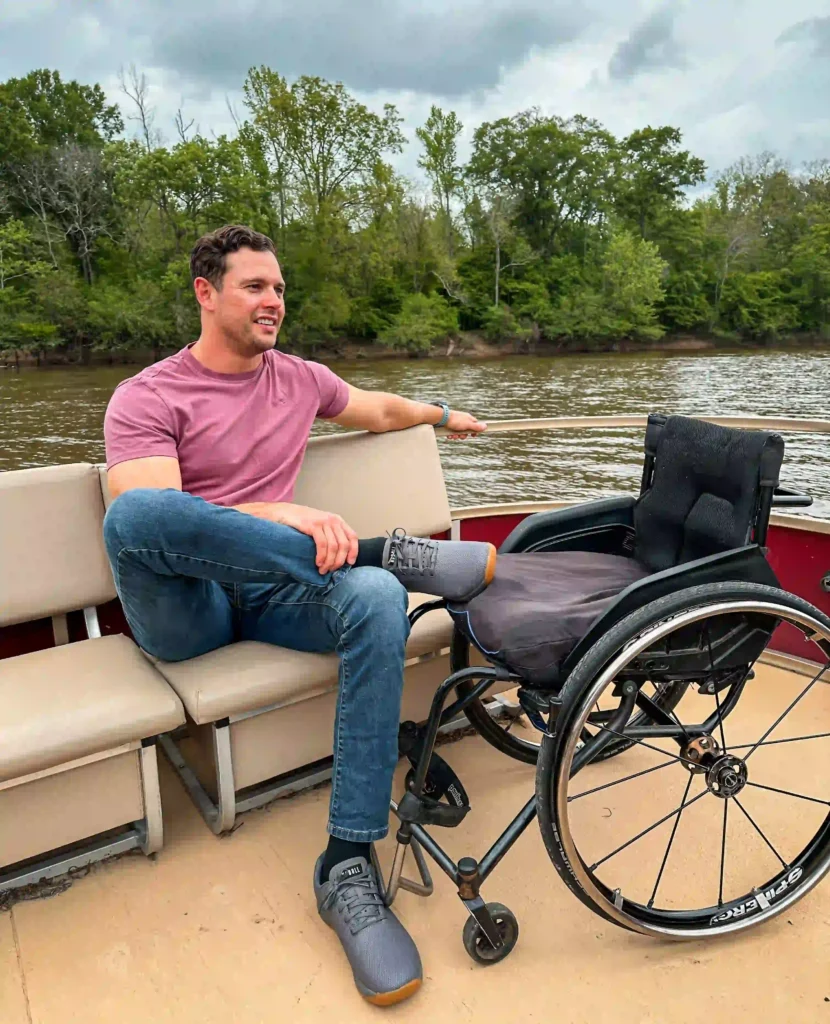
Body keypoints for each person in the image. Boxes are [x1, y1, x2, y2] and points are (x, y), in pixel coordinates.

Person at [102, 224, 496, 1007]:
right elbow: (152, 521)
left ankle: (346, 864)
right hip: (190, 610)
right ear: (205, 293)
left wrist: (440, 412)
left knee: (381, 599)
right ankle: (380, 548)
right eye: (255, 287)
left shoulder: (300, 379)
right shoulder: (148, 395)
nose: (274, 301)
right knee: (138, 516)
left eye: (279, 287)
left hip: (283, 595)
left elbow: (377, 408)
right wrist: (278, 510)